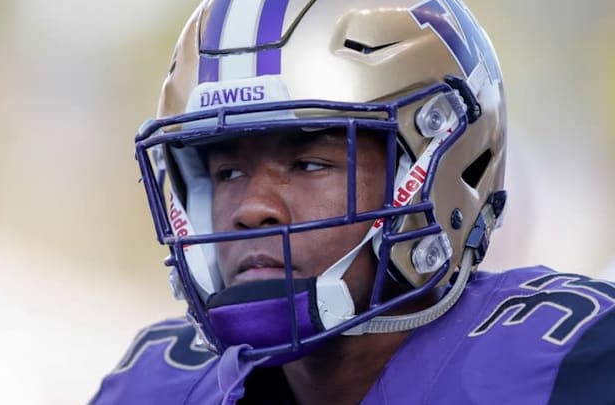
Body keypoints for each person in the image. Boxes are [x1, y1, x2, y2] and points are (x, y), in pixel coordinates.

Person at [91, 0, 615, 403]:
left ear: (435, 168)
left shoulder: (570, 364)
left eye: (309, 164)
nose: (251, 209)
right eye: (227, 172)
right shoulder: (156, 384)